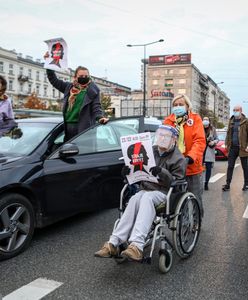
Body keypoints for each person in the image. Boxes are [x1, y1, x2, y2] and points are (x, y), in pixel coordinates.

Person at [95, 125, 186, 261]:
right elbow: (138, 169)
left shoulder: (178, 158)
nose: (162, 138)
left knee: (146, 198)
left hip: (165, 193)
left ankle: (137, 245)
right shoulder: (150, 151)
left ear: (174, 139)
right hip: (145, 189)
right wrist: (128, 172)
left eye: (166, 136)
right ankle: (113, 242)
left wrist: (162, 172)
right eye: (160, 135)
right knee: (134, 199)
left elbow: (177, 182)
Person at [44, 52, 109, 141]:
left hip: (84, 127)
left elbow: (96, 107)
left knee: (82, 151)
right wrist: (48, 64)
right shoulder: (68, 87)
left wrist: (100, 118)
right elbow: (54, 80)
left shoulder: (93, 90)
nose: (84, 77)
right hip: (68, 127)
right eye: (81, 76)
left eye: (86, 76)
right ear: (75, 77)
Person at [163, 94, 206, 216]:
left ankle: (196, 221)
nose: (178, 107)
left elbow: (199, 141)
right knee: (175, 198)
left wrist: (190, 157)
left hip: (191, 165)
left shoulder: (195, 119)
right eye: (175, 105)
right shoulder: (168, 121)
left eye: (181, 104)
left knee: (195, 196)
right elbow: (163, 141)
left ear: (187, 106)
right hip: (174, 166)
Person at [222, 105, 248, 191]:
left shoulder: (246, 121)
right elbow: (228, 134)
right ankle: (227, 184)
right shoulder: (231, 121)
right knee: (230, 166)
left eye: (236, 110)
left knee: (245, 167)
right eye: (234, 110)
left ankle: (246, 184)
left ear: (241, 110)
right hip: (232, 148)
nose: (235, 111)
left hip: (243, 148)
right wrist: (226, 144)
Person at [202, 116, 219, 190]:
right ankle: (199, 183)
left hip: (209, 150)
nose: (205, 121)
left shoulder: (212, 129)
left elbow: (217, 139)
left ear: (209, 121)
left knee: (208, 168)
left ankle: (206, 183)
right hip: (201, 150)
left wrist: (213, 142)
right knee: (199, 168)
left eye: (207, 119)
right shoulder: (199, 128)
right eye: (204, 119)